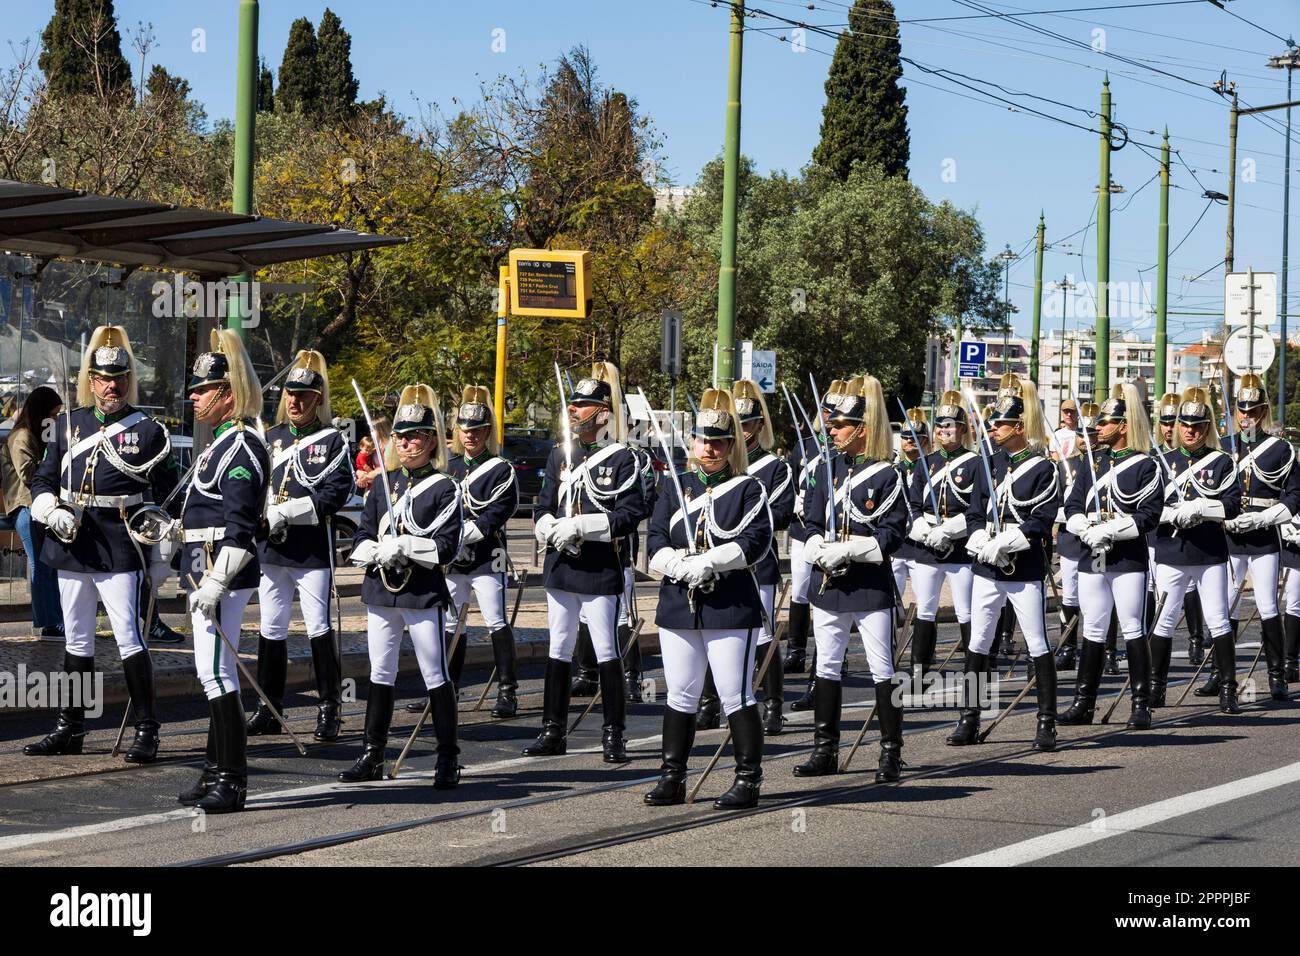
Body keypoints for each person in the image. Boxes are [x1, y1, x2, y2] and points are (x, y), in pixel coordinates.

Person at [26, 327, 179, 764]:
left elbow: (169, 494)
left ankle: (147, 730)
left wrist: (163, 548)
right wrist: (46, 506)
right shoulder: (68, 425)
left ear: (129, 380)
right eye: (103, 378)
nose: (111, 386)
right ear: (90, 380)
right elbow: (43, 477)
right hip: (72, 540)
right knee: (76, 639)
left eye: (119, 378)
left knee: (130, 637)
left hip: (118, 542)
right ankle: (70, 726)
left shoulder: (148, 431)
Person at [645, 387, 774, 808]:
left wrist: (712, 562)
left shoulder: (747, 488)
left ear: (732, 445)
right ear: (692, 441)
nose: (710, 448)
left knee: (736, 694)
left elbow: (756, 541)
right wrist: (677, 564)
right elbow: (656, 538)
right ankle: (672, 776)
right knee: (679, 693)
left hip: (730, 604)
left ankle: (747, 780)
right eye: (704, 440)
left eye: (719, 442)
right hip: (679, 602)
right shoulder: (675, 485)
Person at [344, 385, 464, 787]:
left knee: (434, 672)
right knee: (381, 671)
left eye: (415, 435)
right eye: (400, 435)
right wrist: (376, 552)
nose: (406, 442)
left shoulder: (445, 487)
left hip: (421, 590)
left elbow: (447, 546)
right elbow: (360, 535)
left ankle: (448, 757)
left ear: (431, 440)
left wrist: (408, 545)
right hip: (381, 590)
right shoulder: (383, 483)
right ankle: (372, 753)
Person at [527, 362, 644, 762]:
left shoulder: (623, 458)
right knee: (559, 647)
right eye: (573, 405)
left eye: (583, 406)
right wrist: (547, 526)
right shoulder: (561, 453)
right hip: (561, 564)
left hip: (598, 566)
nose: (574, 411)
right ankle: (552, 730)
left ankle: (614, 734)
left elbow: (629, 515)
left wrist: (583, 525)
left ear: (603, 413)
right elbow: (542, 505)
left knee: (606, 649)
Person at [173, 330, 269, 812]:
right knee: (214, 670)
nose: (192, 395)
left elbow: (241, 528)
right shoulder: (218, 445)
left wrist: (215, 581)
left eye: (202, 389)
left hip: (221, 573)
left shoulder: (241, 448)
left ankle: (232, 780)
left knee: (216, 673)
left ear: (227, 394)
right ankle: (215, 769)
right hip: (201, 568)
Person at [797, 375, 909, 782]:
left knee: (882, 668)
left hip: (867, 585)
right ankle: (824, 749)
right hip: (829, 586)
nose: (832, 429)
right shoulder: (827, 469)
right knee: (826, 667)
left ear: (862, 429)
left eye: (841, 425)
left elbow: (892, 533)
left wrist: (848, 548)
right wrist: (815, 549)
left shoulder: (885, 475)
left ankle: (890, 753)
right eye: (832, 424)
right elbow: (809, 520)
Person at [948, 373, 1061, 751]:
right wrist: (980, 539)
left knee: (1036, 642)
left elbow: (1041, 519)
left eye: (1000, 424)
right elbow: (975, 511)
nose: (992, 429)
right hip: (985, 566)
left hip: (1024, 566)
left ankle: (1047, 722)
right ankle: (970, 717)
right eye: (992, 423)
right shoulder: (986, 463)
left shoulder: (1043, 467)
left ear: (1019, 427)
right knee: (978, 642)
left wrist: (1009, 542)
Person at [249, 351, 354, 741]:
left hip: (310, 549)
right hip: (272, 550)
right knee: (271, 628)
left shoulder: (331, 442)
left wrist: (291, 510)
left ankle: (329, 708)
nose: (295, 401)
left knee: (318, 627)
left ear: (318, 399)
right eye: (291, 394)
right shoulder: (269, 438)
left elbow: (336, 492)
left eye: (304, 396)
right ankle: (269, 707)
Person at [1060, 384, 1164, 728]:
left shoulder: (1144, 465)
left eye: (1104, 423)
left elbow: (1149, 514)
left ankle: (1140, 704)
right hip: (1092, 554)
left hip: (1126, 556)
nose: (1097, 429)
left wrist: (1110, 529)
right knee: (1093, 626)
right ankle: (1083, 702)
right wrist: (1083, 526)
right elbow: (1073, 503)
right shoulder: (1093, 462)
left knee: (1132, 626)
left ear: (1123, 426)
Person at [1148, 387, 1243, 714]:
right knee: (1164, 620)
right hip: (1172, 551)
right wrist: (1171, 513)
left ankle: (1229, 689)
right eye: (1185, 424)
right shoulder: (1161, 462)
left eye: (1197, 426)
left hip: (1209, 553)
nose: (1190, 430)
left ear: (1207, 428)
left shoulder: (1221, 462)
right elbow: (1147, 507)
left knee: (1217, 619)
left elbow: (1232, 506)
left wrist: (1204, 508)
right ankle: (1156, 687)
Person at [715, 378, 793, 735]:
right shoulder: (720, 468)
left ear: (760, 426)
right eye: (738, 424)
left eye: (748, 424)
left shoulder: (775, 467)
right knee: (713, 631)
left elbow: (781, 513)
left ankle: (774, 704)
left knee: (761, 635)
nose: (744, 431)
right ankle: (710, 703)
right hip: (719, 564)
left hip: (758, 564)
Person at [1220, 373, 1300, 701]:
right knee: (1226, 603)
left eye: (1253, 411)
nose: (1246, 416)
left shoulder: (1280, 449)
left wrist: (1267, 516)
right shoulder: (1224, 448)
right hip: (1231, 535)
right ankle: (1221, 674)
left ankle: (1277, 674)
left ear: (1263, 411)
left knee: (1267, 603)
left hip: (1264, 535)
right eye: (1242, 410)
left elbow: (1294, 496)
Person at [444, 384, 521, 718]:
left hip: (487, 556)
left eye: (476, 430)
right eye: (465, 429)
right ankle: (449, 686)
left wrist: (461, 535)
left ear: (487, 431)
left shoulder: (501, 468)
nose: (470, 435)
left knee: (495, 621)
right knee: (450, 624)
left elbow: (497, 512)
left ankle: (508, 691)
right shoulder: (450, 467)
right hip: (453, 559)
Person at [905, 391, 978, 682]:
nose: (944, 430)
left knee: (965, 611)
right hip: (927, 546)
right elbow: (912, 503)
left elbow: (977, 507)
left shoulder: (973, 463)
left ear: (962, 430)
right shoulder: (926, 462)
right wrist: (923, 529)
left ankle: (975, 675)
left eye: (950, 426)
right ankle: (919, 673)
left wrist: (948, 531)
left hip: (960, 547)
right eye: (940, 426)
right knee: (925, 609)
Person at [786, 378, 847, 712]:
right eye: (826, 412)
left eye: (835, 414)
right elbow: (794, 482)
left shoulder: (843, 452)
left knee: (827, 601)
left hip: (835, 536)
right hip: (803, 529)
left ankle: (825, 667)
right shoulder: (805, 445)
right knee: (800, 590)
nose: (828, 419)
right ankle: (796, 651)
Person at [3, 386, 65, 638]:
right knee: (40, 564)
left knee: (49, 564)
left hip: (39, 505)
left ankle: (54, 618)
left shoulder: (37, 435)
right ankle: (49, 622)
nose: (56, 419)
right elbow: (27, 473)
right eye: (53, 413)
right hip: (26, 506)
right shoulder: (22, 437)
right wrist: (53, 464)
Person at [1052, 404, 1100, 671]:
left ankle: (1106, 650)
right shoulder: (1065, 465)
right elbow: (1057, 501)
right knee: (1069, 595)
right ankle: (1068, 647)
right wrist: (1069, 517)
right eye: (1082, 434)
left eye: (1091, 434)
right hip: (1071, 539)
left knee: (1099, 595)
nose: (1085, 439)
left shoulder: (1106, 464)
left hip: (1097, 541)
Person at [355, 417, 389, 493]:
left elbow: (387, 466)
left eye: (372, 429)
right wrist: (359, 473)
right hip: (374, 483)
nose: (370, 432)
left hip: (386, 484)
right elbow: (363, 463)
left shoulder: (390, 446)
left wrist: (366, 476)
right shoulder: (375, 446)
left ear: (381, 429)